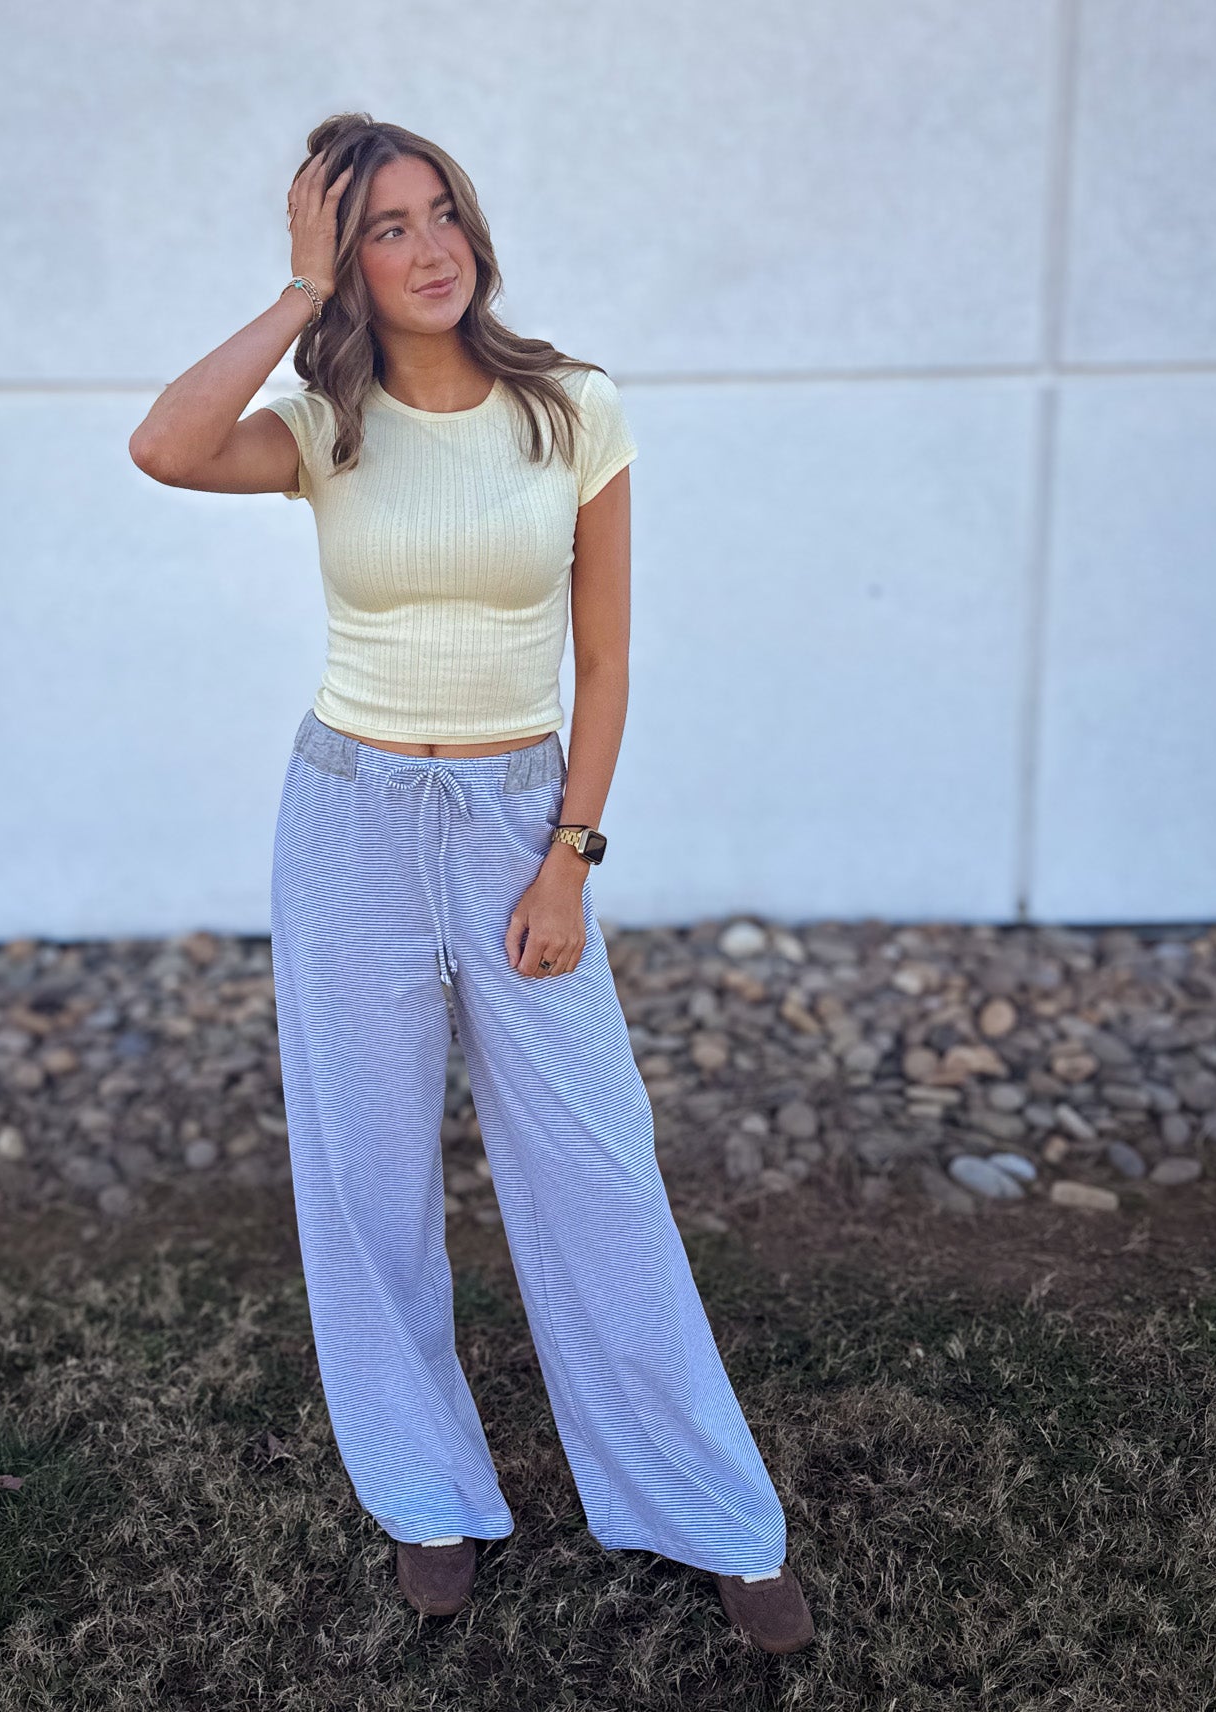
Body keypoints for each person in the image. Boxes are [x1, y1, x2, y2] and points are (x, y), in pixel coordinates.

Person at [128, 113, 814, 1655]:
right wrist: (295, 299)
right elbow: (166, 445)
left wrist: (568, 854)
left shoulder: (572, 408)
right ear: (342, 259)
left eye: (441, 214)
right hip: (351, 817)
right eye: (384, 228)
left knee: (597, 1168)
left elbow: (611, 653)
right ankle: (428, 1498)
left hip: (518, 814)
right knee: (364, 1173)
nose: (428, 247)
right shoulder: (324, 429)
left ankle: (707, 1511)